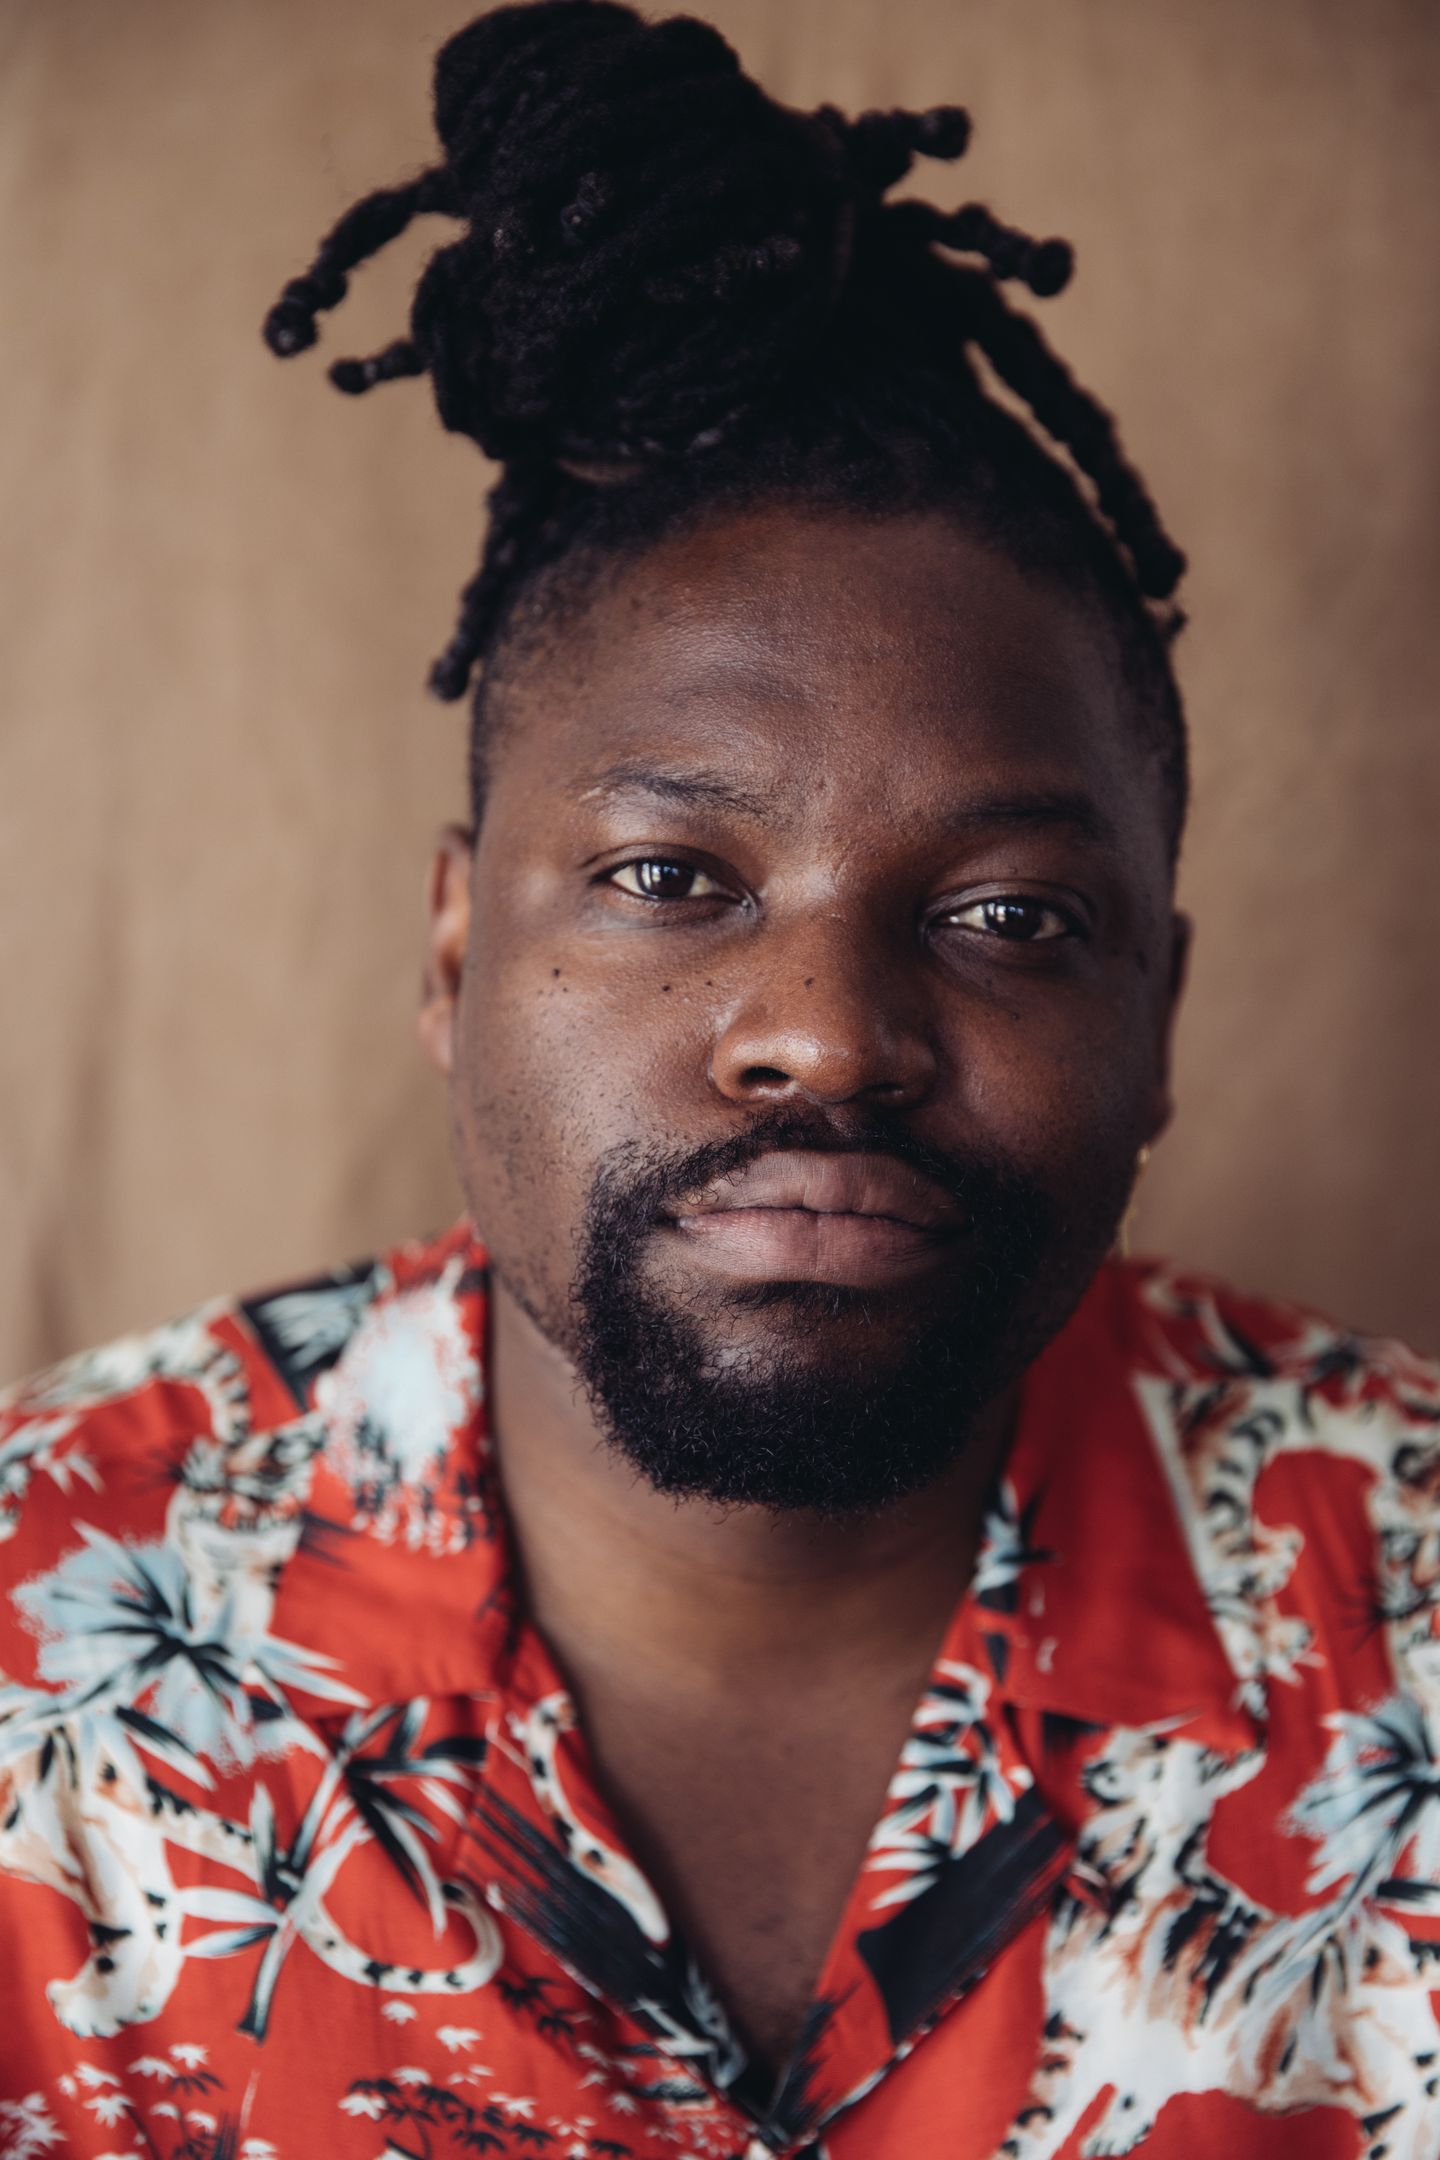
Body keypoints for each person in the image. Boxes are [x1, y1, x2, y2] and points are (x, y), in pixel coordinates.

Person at [1, 4, 1436, 2154]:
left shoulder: (1411, 1603)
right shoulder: (34, 1645)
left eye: (1010, 915)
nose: (827, 1035)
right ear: (457, 954)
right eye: (672, 878)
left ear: (1160, 1017)